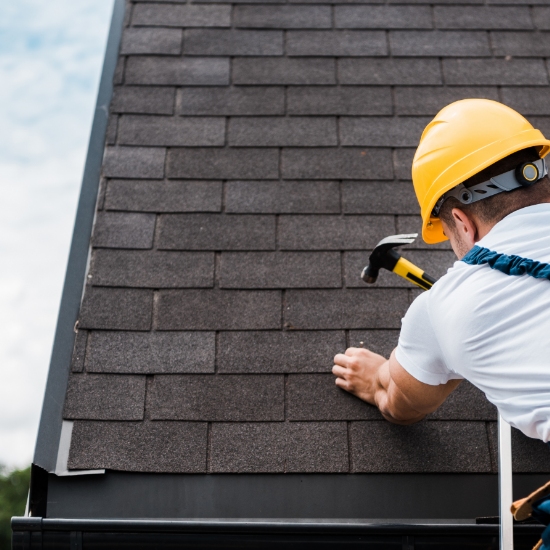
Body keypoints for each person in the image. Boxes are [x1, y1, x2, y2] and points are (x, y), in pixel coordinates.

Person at [332, 99, 550, 446]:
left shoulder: (440, 310)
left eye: (447, 234)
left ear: (462, 224)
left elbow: (399, 404)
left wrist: (377, 381)